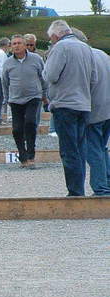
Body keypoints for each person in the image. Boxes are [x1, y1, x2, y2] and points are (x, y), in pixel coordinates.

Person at [42, 20, 97, 196]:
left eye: (51, 39)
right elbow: (94, 79)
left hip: (65, 104)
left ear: (55, 36)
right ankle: (79, 188)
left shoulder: (60, 48)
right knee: (80, 148)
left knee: (68, 150)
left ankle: (75, 192)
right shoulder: (85, 48)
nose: (51, 42)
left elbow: (50, 75)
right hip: (83, 104)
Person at [0, 35, 48, 168]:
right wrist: (6, 99)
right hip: (15, 99)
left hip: (33, 96)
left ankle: (31, 154)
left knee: (31, 122)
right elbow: (5, 82)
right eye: (13, 43)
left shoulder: (36, 59)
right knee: (17, 129)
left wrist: (44, 94)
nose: (16, 46)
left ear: (25, 45)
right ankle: (23, 155)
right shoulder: (8, 62)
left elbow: (43, 77)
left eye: (19, 43)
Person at [74, 29, 110, 196]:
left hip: (93, 108)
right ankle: (106, 181)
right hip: (108, 107)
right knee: (101, 147)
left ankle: (100, 187)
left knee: (93, 148)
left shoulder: (84, 57)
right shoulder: (102, 54)